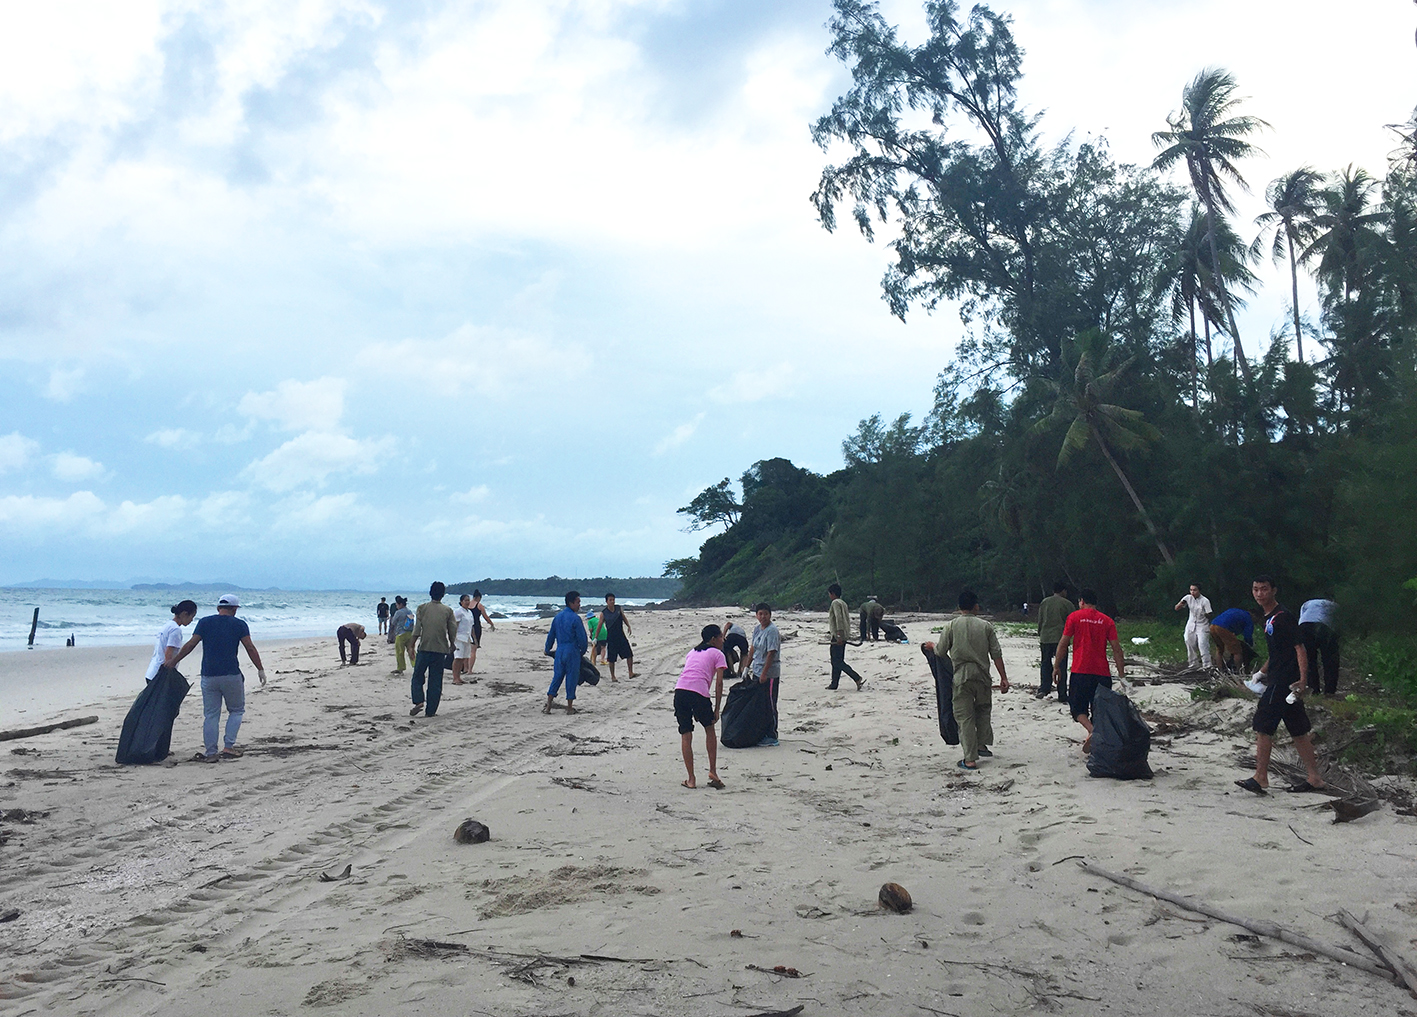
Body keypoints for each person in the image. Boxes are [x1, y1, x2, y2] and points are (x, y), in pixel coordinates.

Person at [1236, 576, 1326, 795]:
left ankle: (1260, 777)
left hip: (1284, 680)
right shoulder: (1269, 619)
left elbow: (1299, 648)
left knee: (1263, 724)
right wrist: (1260, 673)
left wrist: (1303, 680)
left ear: (1273, 591)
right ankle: (1315, 778)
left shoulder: (1282, 617)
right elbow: (1278, 652)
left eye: (1264, 589)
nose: (1259, 594)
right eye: (1255, 589)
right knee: (1298, 730)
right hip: (1276, 676)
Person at [171, 594, 267, 763]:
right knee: (236, 710)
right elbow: (250, 648)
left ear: (218, 608)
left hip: (209, 675)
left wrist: (173, 661)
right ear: (235, 609)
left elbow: (191, 645)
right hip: (231, 674)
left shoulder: (205, 622)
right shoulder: (239, 625)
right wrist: (260, 669)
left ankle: (211, 752)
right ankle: (228, 747)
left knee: (211, 715)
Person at [936, 590, 1009, 770]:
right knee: (983, 709)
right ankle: (982, 745)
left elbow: (940, 651)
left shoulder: (951, 626)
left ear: (959, 607)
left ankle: (969, 758)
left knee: (965, 716)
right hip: (982, 675)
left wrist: (932, 647)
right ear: (976, 606)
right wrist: (1003, 678)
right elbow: (996, 654)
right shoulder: (986, 626)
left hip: (961, 676)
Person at [1053, 589, 1125, 753]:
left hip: (1081, 670)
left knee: (1077, 708)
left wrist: (1057, 666)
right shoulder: (1106, 621)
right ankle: (1094, 735)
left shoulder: (1074, 617)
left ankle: (1093, 732)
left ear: (1082, 601)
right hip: (1102, 672)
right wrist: (1122, 675)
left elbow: (1063, 644)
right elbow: (1116, 649)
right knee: (1099, 709)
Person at [675, 624, 728, 789]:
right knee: (709, 728)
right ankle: (712, 771)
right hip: (698, 692)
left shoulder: (692, 652)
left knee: (686, 734)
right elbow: (719, 683)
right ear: (713, 639)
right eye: (720, 637)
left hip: (680, 691)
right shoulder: (718, 653)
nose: (723, 639)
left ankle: (691, 779)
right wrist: (717, 708)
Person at [410, 582, 457, 718]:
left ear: (430, 593)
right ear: (442, 594)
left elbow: (417, 629)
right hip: (440, 649)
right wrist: (452, 644)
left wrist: (411, 645)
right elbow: (452, 629)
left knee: (418, 675)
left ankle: (418, 700)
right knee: (435, 680)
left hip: (424, 647)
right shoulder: (448, 611)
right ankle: (431, 711)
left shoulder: (422, 608)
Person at [743, 602, 782, 746]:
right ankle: (761, 732)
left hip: (770, 673)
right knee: (759, 703)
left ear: (770, 615)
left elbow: (771, 653)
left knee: (770, 703)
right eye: (760, 614)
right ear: (756, 615)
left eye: (765, 613)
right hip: (757, 670)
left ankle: (772, 734)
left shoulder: (772, 631)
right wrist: (747, 666)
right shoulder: (757, 629)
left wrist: (765, 674)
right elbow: (753, 648)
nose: (763, 616)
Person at [544, 591, 590, 714]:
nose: (579, 605)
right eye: (578, 602)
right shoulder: (575, 619)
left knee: (557, 678)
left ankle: (548, 706)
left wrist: (547, 649)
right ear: (571, 603)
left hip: (560, 651)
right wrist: (582, 651)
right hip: (572, 651)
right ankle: (569, 708)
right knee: (571, 679)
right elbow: (582, 638)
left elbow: (551, 635)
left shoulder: (557, 617)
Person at [1035, 582, 1074, 700]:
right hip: (1060, 638)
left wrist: (1040, 632)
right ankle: (1062, 693)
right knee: (1061, 666)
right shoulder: (1067, 604)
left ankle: (1044, 688)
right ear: (1063, 591)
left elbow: (1040, 619)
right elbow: (1072, 621)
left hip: (1045, 637)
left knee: (1045, 663)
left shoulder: (1045, 602)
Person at [826, 583, 866, 691]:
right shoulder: (843, 603)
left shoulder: (835, 603)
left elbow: (839, 618)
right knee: (837, 660)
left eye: (829, 594)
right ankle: (834, 684)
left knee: (836, 661)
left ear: (833, 593)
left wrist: (838, 635)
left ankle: (856, 677)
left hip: (838, 635)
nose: (829, 596)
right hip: (844, 634)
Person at [145, 599, 198, 681]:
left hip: (152, 671)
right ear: (185, 614)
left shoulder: (168, 625)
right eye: (192, 616)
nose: (192, 620)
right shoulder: (175, 630)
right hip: (160, 675)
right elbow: (169, 653)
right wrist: (169, 675)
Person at [1298, 598, 1340, 696]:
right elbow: (1339, 624)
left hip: (1305, 625)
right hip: (1325, 627)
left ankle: (1313, 689)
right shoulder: (1336, 606)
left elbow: (1302, 616)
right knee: (1330, 660)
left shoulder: (1308, 603)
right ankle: (1330, 690)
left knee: (1309, 659)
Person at [1174, 583, 1214, 668]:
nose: (1192, 592)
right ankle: (1193, 664)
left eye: (1195, 590)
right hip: (1191, 624)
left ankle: (1207, 665)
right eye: (1191, 590)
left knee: (1202, 644)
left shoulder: (1205, 601)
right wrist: (1181, 604)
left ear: (1199, 591)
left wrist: (1205, 614)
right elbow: (1177, 608)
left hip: (1202, 625)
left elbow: (1210, 614)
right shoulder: (1188, 598)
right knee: (1188, 641)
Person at [600, 593, 636, 681]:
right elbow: (599, 625)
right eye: (610, 600)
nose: (612, 601)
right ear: (606, 601)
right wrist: (595, 637)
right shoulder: (604, 613)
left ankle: (630, 672)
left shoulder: (618, 609)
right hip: (611, 638)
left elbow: (624, 618)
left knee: (629, 654)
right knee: (611, 659)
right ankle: (613, 676)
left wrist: (628, 626)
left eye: (613, 600)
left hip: (621, 636)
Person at [1210, 607, 1256, 672]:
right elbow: (1247, 635)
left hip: (1213, 625)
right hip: (1222, 627)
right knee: (1237, 652)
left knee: (1220, 650)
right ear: (1254, 615)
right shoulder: (1248, 618)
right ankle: (1239, 671)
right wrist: (1251, 644)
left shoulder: (1238, 612)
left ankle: (1220, 671)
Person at [451, 594, 478, 685]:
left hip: (467, 638)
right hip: (459, 637)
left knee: (463, 658)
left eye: (468, 600)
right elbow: (455, 625)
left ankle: (459, 677)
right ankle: (455, 678)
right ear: (461, 601)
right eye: (465, 600)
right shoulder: (458, 612)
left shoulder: (469, 612)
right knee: (458, 657)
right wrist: (453, 638)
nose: (467, 602)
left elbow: (471, 626)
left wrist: (474, 638)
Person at [390, 598, 415, 672]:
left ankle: (401, 667)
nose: (396, 606)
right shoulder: (409, 611)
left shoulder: (398, 612)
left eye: (397, 605)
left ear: (400, 604)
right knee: (411, 650)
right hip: (410, 633)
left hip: (400, 633)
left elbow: (393, 622)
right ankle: (415, 664)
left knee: (400, 652)